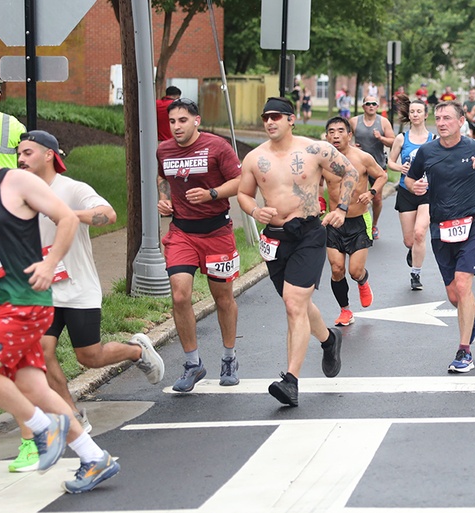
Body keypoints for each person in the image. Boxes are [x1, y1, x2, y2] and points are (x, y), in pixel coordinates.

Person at [0, 122, 119, 493]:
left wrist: (50, 263)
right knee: (34, 387)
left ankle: (45, 432)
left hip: (24, 302)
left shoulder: (15, 182)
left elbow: (64, 218)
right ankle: (95, 459)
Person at [18, 130, 164, 434]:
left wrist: (67, 214)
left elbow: (107, 214)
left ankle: (136, 350)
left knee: (90, 356)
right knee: (41, 351)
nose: (20, 159)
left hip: (77, 287)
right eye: (18, 153)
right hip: (42, 290)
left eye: (27, 152)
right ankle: (71, 416)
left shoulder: (70, 189)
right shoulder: (18, 193)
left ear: (49, 155)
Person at [237, 98, 354, 406]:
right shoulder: (254, 158)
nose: (270, 122)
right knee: (298, 305)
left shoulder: (315, 149)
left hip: (308, 233)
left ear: (291, 119)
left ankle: (291, 381)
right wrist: (254, 210)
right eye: (265, 117)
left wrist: (342, 208)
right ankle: (329, 341)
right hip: (274, 238)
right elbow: (243, 193)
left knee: (293, 304)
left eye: (276, 116)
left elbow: (351, 172)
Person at [405, 101, 475, 373]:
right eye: (438, 118)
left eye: (447, 118)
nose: (441, 123)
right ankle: (472, 311)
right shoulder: (426, 151)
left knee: (463, 285)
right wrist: (414, 186)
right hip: (441, 227)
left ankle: (464, 352)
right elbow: (409, 180)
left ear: (461, 121)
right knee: (454, 295)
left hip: (471, 224)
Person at [156, 98, 242, 392]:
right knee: (180, 296)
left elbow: (240, 181)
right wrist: (165, 198)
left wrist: (212, 194)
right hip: (181, 232)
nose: (176, 127)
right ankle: (193, 364)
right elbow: (163, 176)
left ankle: (229, 357)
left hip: (217, 231)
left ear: (197, 120)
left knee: (223, 298)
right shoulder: (164, 149)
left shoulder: (217, 147)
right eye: (172, 121)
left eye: (182, 120)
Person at [322, 117, 387, 326]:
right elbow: (313, 184)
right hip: (334, 223)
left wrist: (371, 193)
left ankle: (362, 280)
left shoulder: (362, 158)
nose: (336, 135)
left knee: (354, 271)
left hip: (358, 221)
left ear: (350, 135)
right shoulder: (322, 161)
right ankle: (345, 310)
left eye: (341, 131)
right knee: (337, 269)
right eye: (331, 131)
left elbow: (382, 175)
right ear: (326, 136)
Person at [388, 100, 433, 290]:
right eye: (412, 111)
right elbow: (390, 162)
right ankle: (412, 250)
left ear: (425, 115)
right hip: (406, 191)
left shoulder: (434, 139)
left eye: (419, 111)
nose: (415, 114)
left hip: (426, 192)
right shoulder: (401, 138)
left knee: (420, 233)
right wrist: (400, 167)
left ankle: (416, 274)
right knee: (409, 240)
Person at [350, 96, 394, 241]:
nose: (370, 106)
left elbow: (392, 142)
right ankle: (357, 225)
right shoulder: (355, 121)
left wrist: (381, 138)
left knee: (377, 198)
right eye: (367, 104)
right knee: (357, 196)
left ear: (377, 106)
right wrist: (351, 146)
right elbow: (346, 138)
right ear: (363, 106)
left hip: (378, 165)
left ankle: (374, 225)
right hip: (359, 166)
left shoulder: (383, 122)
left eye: (373, 104)